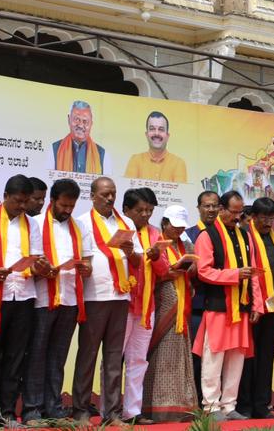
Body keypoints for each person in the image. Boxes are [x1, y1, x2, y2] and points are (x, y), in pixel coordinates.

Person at [0, 174, 44, 423]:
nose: (22, 207)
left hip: (23, 296)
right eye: (18, 201)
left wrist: (39, 267)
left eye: (26, 202)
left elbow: (36, 257)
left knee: (15, 357)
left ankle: (6, 412)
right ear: (4, 196)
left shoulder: (32, 224)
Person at [73, 176, 138, 424]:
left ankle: (112, 413)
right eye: (104, 194)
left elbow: (138, 262)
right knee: (87, 356)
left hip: (120, 297)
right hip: (94, 297)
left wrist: (132, 253)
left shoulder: (126, 222)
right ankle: (79, 410)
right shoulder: (81, 223)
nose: (110, 198)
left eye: (113, 193)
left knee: (113, 358)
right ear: (92, 196)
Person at [24, 178, 90, 423]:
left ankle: (54, 408)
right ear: (52, 201)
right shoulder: (35, 224)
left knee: (58, 357)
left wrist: (86, 269)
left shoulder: (79, 226)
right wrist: (41, 269)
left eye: (71, 206)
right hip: (42, 300)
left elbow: (86, 261)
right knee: (37, 355)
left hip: (70, 299)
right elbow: (28, 262)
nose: (67, 210)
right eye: (63, 205)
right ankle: (32, 409)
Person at [195, 189, 257, 420]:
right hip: (218, 306)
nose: (237, 217)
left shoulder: (245, 235)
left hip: (241, 306)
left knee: (236, 357)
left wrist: (257, 305)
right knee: (214, 357)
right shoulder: (206, 236)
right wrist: (233, 275)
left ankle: (229, 406)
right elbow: (203, 271)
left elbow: (253, 273)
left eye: (241, 213)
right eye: (233, 212)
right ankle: (210, 407)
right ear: (221, 210)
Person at [142, 204, 198, 423]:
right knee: (161, 353)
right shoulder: (156, 242)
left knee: (180, 353)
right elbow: (153, 273)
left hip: (182, 302)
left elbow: (194, 271)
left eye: (181, 227)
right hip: (163, 300)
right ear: (164, 223)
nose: (178, 231)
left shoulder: (186, 243)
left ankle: (181, 405)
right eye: (174, 226)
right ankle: (156, 406)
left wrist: (189, 266)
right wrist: (169, 272)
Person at [119, 187, 164, 424]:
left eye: (149, 210)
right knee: (114, 358)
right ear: (126, 209)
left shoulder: (155, 233)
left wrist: (156, 258)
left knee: (138, 360)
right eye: (140, 210)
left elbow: (164, 271)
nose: (145, 215)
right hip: (121, 304)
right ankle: (111, 409)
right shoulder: (117, 231)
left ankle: (132, 412)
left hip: (146, 305)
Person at [238, 197, 274, 419]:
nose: (268, 222)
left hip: (273, 305)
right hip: (250, 305)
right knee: (248, 357)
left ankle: (262, 405)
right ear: (253, 217)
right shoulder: (244, 236)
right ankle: (244, 405)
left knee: (266, 356)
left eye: (271, 217)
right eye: (264, 217)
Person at [185, 188, 221, 403]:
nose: (211, 210)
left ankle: (213, 400)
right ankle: (194, 401)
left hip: (219, 305)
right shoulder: (188, 234)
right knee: (196, 355)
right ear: (198, 208)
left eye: (215, 205)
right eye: (206, 206)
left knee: (216, 356)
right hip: (196, 304)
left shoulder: (224, 234)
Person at [124, 111, 189, 183]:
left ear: (167, 136)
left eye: (161, 129)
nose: (156, 133)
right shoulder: (135, 160)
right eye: (152, 129)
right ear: (146, 134)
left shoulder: (178, 163)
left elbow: (179, 193)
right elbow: (130, 192)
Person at [53, 100, 110, 174]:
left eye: (85, 121)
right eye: (77, 119)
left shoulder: (103, 155)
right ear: (69, 119)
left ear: (91, 124)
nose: (80, 125)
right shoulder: (54, 150)